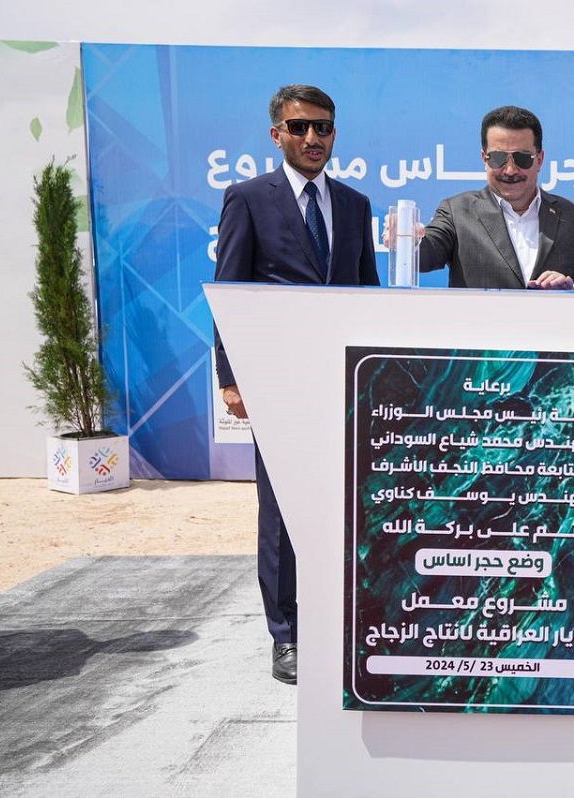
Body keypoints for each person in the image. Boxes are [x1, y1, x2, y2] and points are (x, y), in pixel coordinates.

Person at [214, 84, 380, 684]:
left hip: (345, 383)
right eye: (300, 126)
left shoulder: (356, 204)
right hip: (277, 382)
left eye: (323, 127)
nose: (313, 138)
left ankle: (344, 620)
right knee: (282, 510)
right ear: (277, 134)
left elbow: (367, 293)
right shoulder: (247, 198)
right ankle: (287, 635)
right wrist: (231, 377)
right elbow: (229, 292)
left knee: (350, 503)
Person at [394, 105, 574, 290]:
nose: (510, 170)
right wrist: (407, 240)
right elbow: (427, 254)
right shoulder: (457, 212)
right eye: (498, 158)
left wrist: (570, 288)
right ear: (484, 159)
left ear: (539, 160)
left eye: (522, 158)